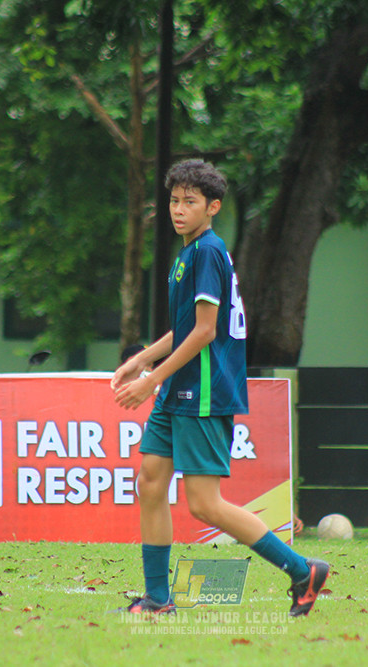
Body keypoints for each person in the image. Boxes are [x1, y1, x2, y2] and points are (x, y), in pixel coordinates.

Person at [111, 158, 328, 617]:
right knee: (151, 481)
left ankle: (302, 570)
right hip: (179, 388)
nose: (178, 209)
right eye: (174, 200)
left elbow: (206, 331)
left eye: (190, 202)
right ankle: (158, 599)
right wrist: (141, 359)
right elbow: (185, 328)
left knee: (205, 505)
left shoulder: (207, 251)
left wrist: (151, 379)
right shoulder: (188, 253)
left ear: (213, 207)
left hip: (204, 390)